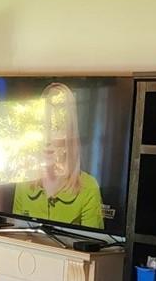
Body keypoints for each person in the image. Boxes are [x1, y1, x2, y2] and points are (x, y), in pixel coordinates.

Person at [12, 82, 103, 228]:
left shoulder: (88, 187)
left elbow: (92, 246)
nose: (47, 139)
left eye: (56, 128)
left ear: (70, 137)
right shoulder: (23, 182)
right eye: (42, 127)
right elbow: (14, 239)